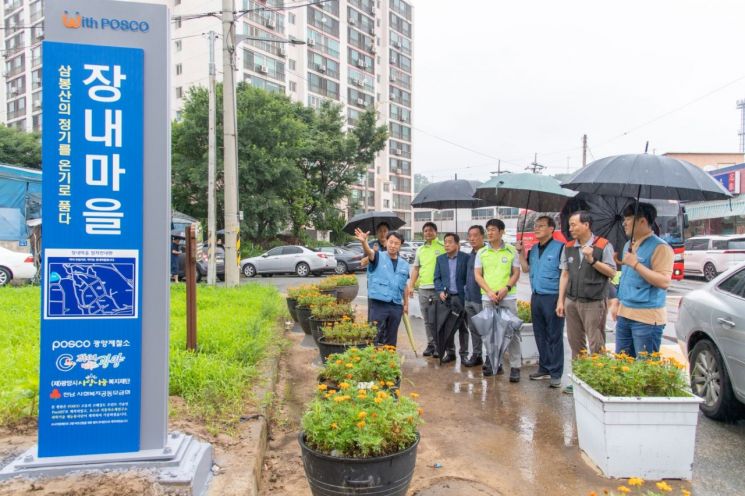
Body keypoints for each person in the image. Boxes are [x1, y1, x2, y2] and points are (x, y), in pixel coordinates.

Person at [556, 211, 616, 394]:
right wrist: (561, 300)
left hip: (594, 301)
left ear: (587, 225)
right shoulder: (569, 247)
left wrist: (592, 260)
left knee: (596, 342)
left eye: (574, 224)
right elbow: (565, 273)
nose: (570, 228)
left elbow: (611, 272)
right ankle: (579, 381)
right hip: (572, 300)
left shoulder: (603, 245)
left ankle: (598, 382)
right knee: (576, 343)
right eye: (570, 225)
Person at [614, 202, 673, 357]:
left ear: (642, 221)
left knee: (644, 370)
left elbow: (664, 281)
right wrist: (617, 302)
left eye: (628, 219)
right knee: (622, 366)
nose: (624, 223)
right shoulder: (629, 244)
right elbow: (626, 279)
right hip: (624, 314)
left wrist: (636, 264)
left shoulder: (661, 247)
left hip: (646, 319)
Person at [516, 215, 565, 389]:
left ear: (552, 229)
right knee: (540, 334)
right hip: (536, 296)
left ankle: (556, 372)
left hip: (552, 296)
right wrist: (521, 253)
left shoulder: (560, 248)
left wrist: (561, 300)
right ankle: (544, 367)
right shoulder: (534, 249)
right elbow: (525, 268)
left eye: (541, 226)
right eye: (536, 226)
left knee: (554, 335)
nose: (536, 228)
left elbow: (565, 275)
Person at [474, 218, 522, 381]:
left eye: (493, 229)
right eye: (488, 229)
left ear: (501, 232)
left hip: (507, 297)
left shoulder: (511, 251)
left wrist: (506, 288)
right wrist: (489, 292)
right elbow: (478, 275)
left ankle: (515, 366)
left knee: (512, 331)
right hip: (488, 297)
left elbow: (516, 272)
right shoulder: (482, 252)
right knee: (490, 332)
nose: (490, 232)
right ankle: (495, 363)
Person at [355, 228, 409, 347]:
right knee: (373, 334)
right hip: (379, 304)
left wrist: (406, 304)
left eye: (396, 243)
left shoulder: (404, 264)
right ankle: (371, 361)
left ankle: (389, 361)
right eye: (391, 242)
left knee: (391, 337)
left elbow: (405, 285)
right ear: (386, 242)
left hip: (396, 305)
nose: (393, 245)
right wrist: (363, 242)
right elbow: (369, 252)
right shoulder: (378, 256)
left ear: (400, 246)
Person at [409, 222, 445, 357]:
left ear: (436, 232)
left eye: (430, 230)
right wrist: (411, 285)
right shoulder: (420, 250)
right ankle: (430, 344)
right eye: (425, 231)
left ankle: (438, 345)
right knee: (426, 319)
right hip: (423, 289)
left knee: (437, 319)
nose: (428, 233)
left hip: (438, 289)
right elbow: (416, 269)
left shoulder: (442, 247)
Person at [433, 233, 470, 363]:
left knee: (463, 327)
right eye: (445, 242)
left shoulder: (466, 258)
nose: (446, 245)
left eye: (450, 242)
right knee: (447, 326)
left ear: (457, 244)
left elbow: (470, 277)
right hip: (447, 299)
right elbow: (437, 278)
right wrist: (439, 290)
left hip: (461, 298)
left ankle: (464, 354)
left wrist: (466, 290)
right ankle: (450, 352)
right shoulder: (440, 259)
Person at [463, 225, 486, 368]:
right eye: (470, 235)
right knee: (473, 329)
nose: (472, 238)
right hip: (469, 298)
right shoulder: (470, 254)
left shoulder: (486, 253)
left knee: (486, 330)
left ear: (482, 236)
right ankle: (477, 355)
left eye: (475, 235)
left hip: (482, 298)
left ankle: (491, 358)